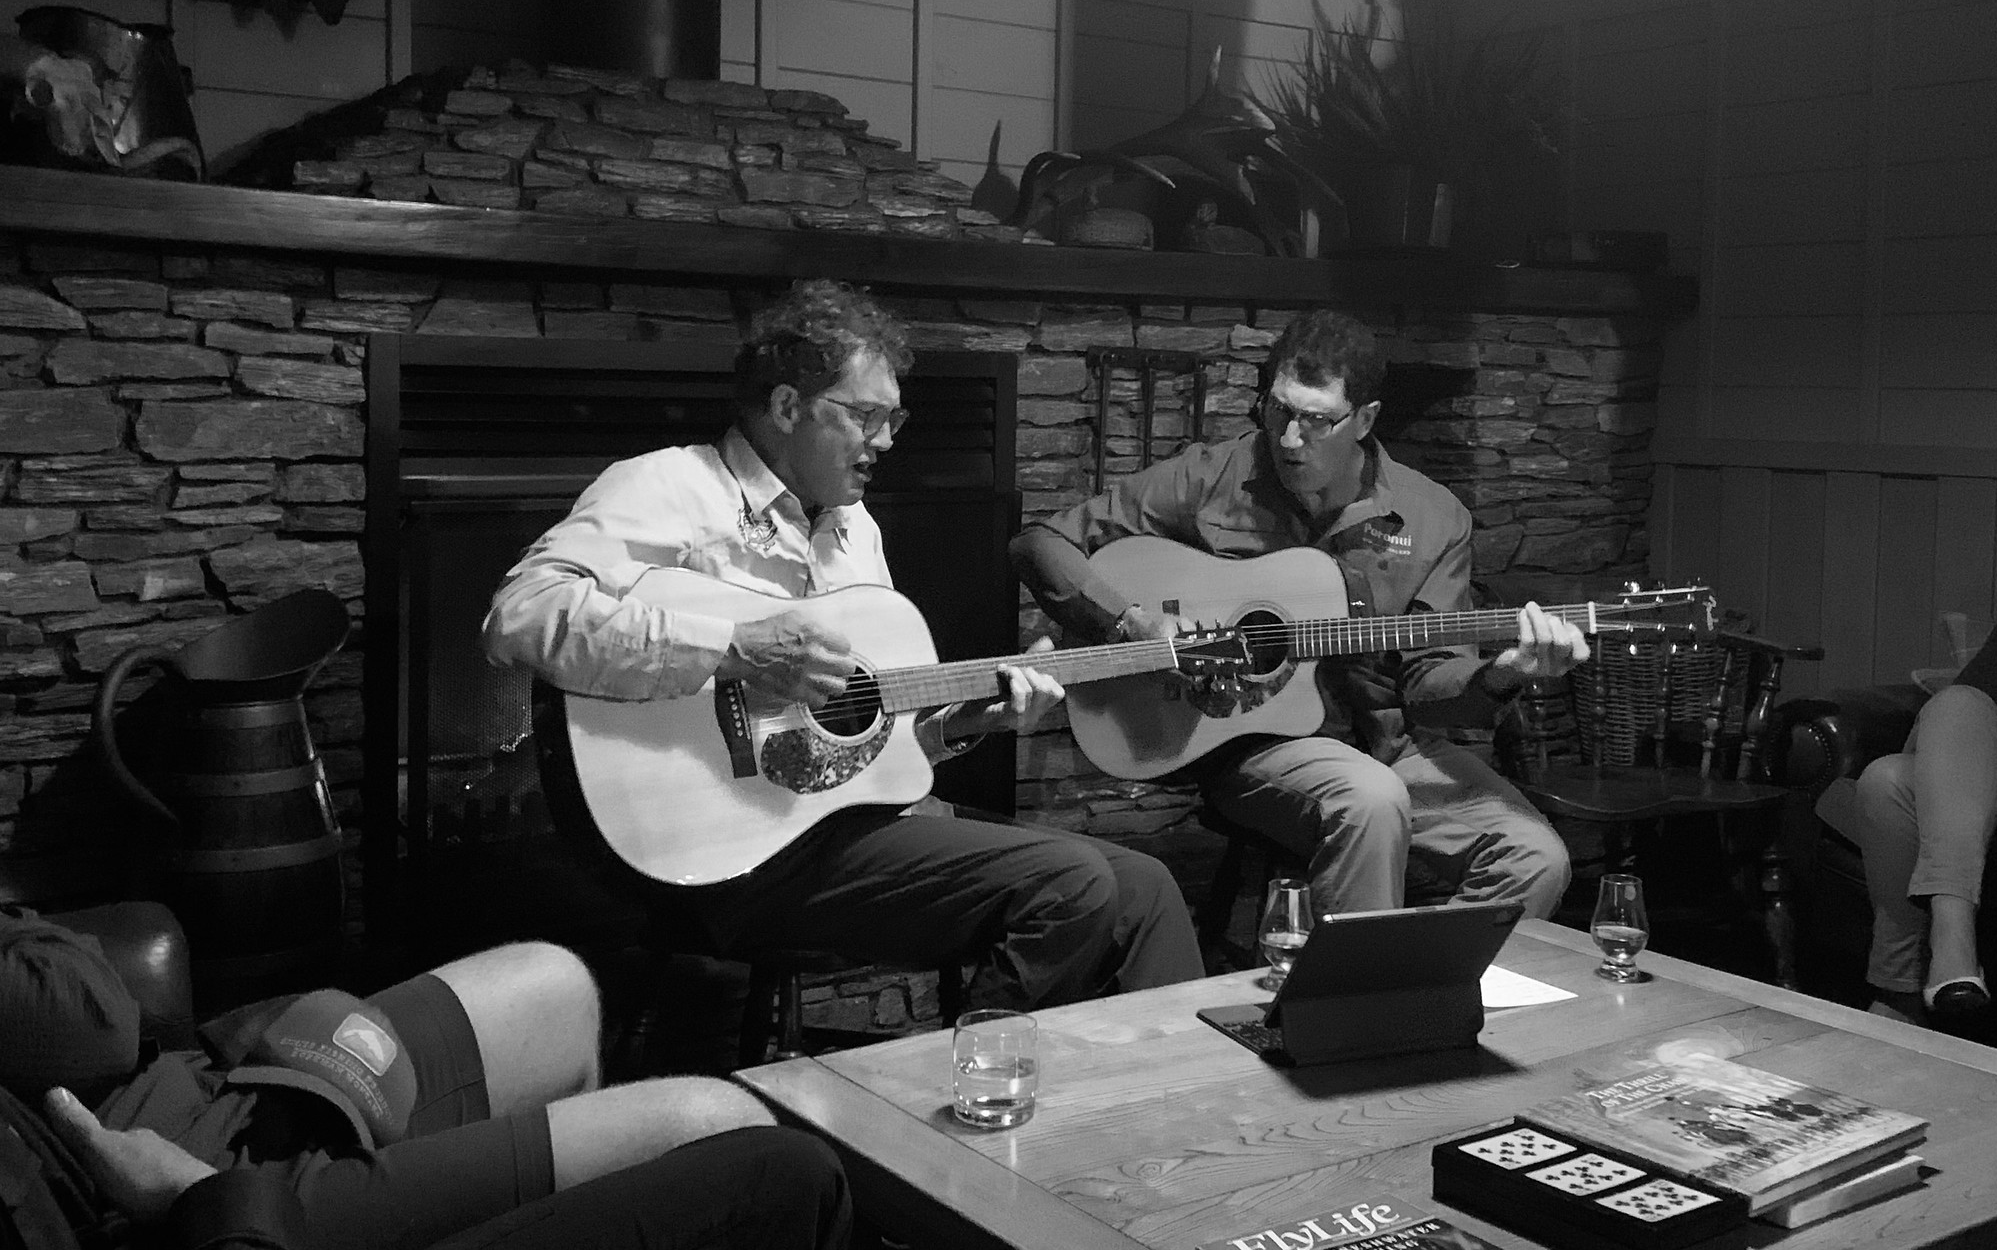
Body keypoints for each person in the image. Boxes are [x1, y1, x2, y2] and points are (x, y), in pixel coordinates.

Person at [483, 278, 1203, 1010]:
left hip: (841, 826)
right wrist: (734, 648)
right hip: (729, 851)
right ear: (788, 406)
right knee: (1072, 884)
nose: (886, 441)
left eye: (894, 418)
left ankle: (1170, 1108)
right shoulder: (670, 487)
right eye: (865, 416)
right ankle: (972, 1093)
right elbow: (521, 615)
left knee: (1146, 889)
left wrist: (961, 725)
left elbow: (862, 744)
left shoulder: (858, 530)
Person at [1010, 308, 1582, 922]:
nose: (1288, 438)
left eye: (1316, 421)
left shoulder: (1434, 517)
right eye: (1279, 410)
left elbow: (1428, 682)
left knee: (1537, 857)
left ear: (1365, 420)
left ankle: (1416, 992)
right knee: (1369, 800)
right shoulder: (1213, 474)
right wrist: (1130, 622)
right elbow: (1042, 544)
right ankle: (1354, 1009)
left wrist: (1506, 673)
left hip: (1384, 742)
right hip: (1250, 741)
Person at [0, 905, 851, 1250]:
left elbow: (85, 1022)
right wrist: (202, 1204)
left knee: (557, 987)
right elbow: (95, 1017)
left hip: (192, 1102)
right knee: (722, 1123)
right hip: (166, 1226)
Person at [1853, 589, 1997, 1022]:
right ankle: (1953, 948)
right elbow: (1972, 690)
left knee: (1885, 781)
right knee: (1957, 701)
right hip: (1977, 754)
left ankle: (1900, 994)